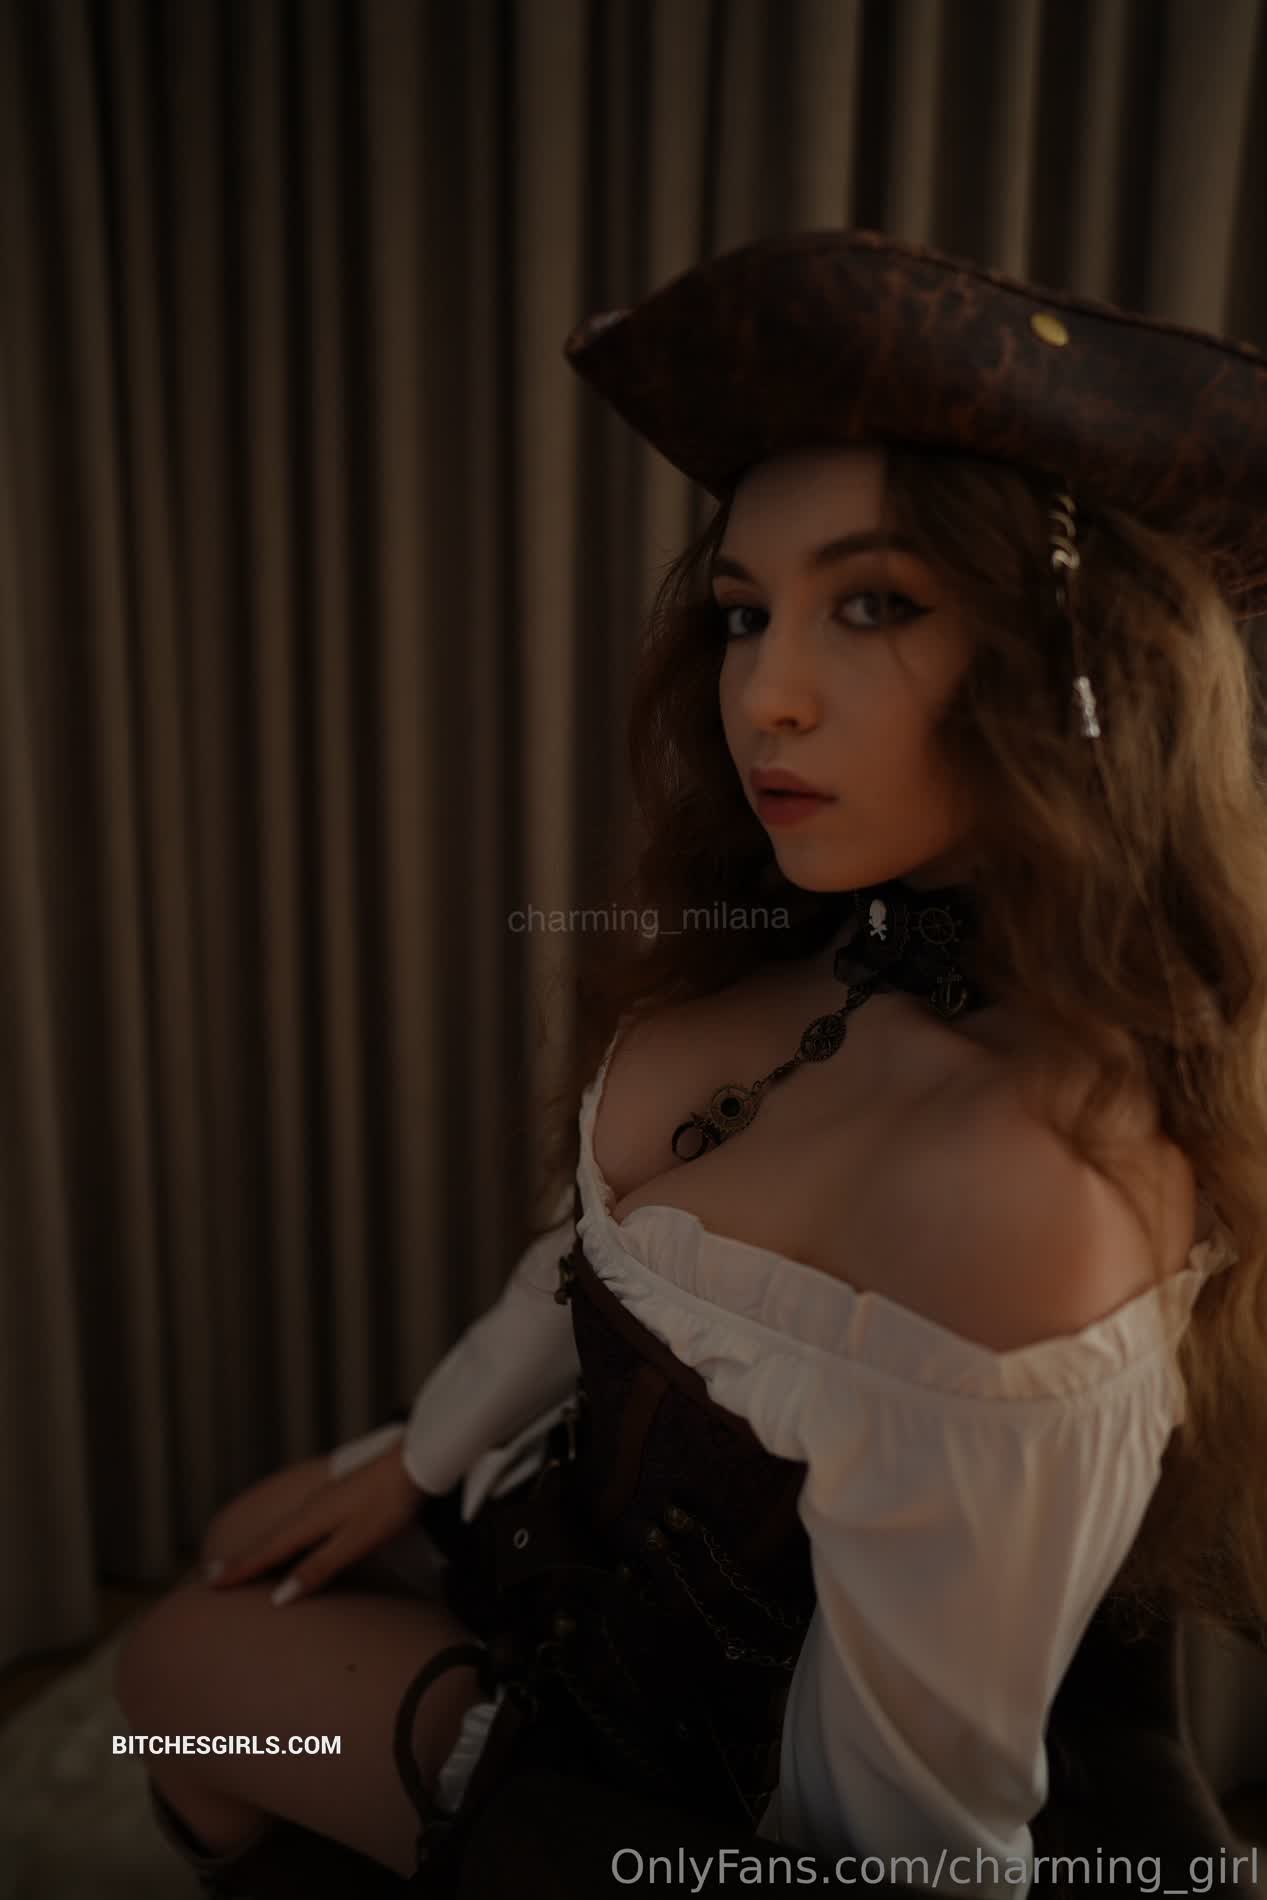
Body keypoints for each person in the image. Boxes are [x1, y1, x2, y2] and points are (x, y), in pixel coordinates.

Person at [114, 229, 1267, 1899]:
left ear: (1079, 667)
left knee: (178, 1684)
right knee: (234, 1592)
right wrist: (416, 1460)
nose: (765, 696)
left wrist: (507, 1800)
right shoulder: (818, 971)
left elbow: (913, 1837)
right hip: (551, 1562)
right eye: (743, 613)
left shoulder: (1029, 1190)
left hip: (669, 1802)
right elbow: (597, 1264)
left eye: (873, 604)